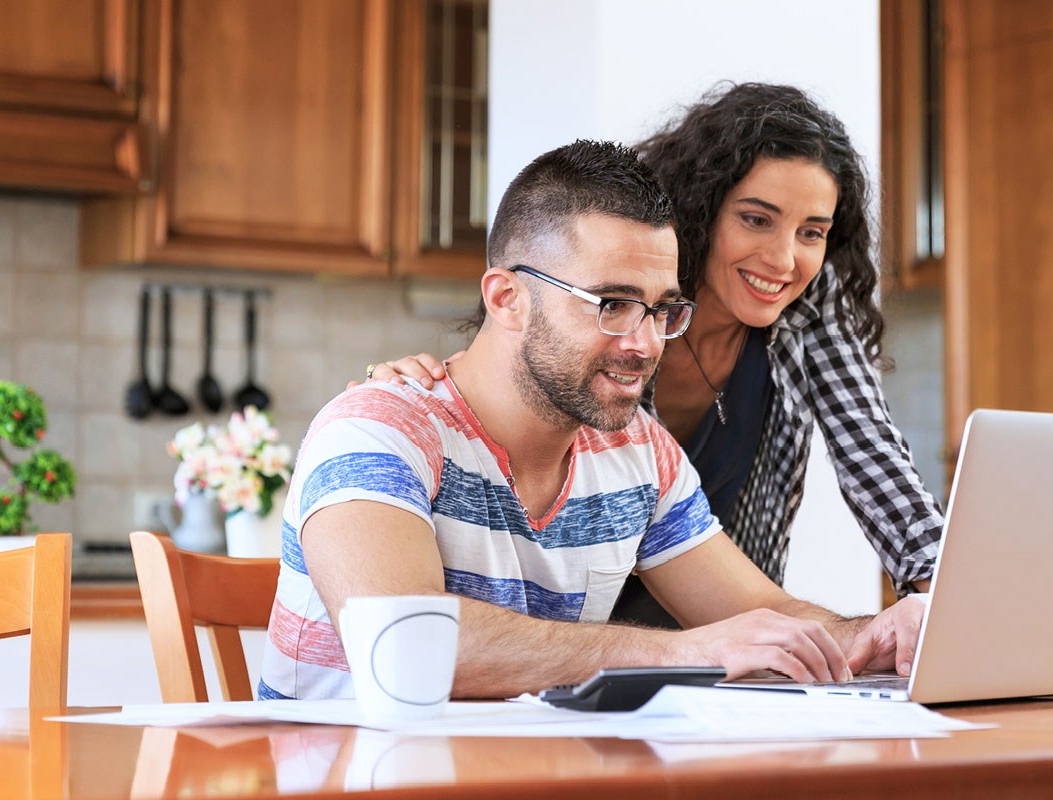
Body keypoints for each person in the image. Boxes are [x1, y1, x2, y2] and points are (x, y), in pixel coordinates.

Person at [263, 140, 927, 701]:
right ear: (507, 297)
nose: (643, 344)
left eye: (662, 309)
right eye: (611, 303)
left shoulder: (635, 450)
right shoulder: (378, 429)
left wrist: (874, 633)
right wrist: (689, 653)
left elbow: (764, 613)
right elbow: (401, 641)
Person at [362, 83, 945, 628]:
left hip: (723, 634)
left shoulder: (807, 315)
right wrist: (411, 403)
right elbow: (523, 364)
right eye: (756, 219)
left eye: (812, 232)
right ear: (704, 209)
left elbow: (877, 464)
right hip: (583, 645)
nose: (784, 259)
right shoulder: (621, 322)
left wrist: (940, 606)